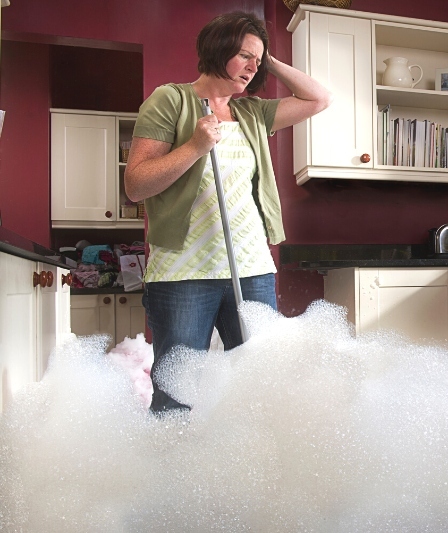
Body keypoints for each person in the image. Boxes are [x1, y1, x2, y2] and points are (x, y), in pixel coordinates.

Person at [124, 11, 332, 413]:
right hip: (185, 273)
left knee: (258, 391)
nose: (252, 67)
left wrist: (264, 58)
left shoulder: (253, 113)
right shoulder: (171, 100)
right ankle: (174, 474)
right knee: (176, 397)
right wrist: (194, 148)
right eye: (243, 56)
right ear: (217, 51)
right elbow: (136, 185)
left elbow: (318, 98)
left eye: (257, 61)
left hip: (251, 268)